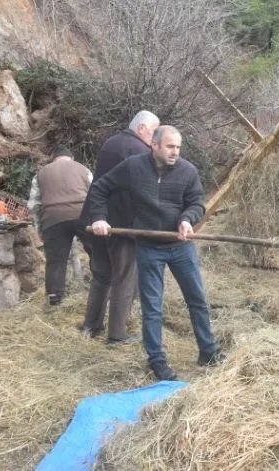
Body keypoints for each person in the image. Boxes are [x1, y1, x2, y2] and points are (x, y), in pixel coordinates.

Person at [87, 125, 224, 380]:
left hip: (180, 246)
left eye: (178, 147)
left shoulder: (187, 171)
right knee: (152, 307)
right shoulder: (133, 167)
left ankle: (208, 351)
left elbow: (197, 203)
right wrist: (99, 217)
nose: (175, 152)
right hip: (149, 246)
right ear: (154, 145)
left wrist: (187, 219)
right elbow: (100, 188)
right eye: (170, 146)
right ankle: (157, 361)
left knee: (197, 299)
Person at [80, 110, 160, 343]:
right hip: (122, 226)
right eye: (154, 131)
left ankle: (91, 325)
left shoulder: (111, 143)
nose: (155, 138)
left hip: (96, 220)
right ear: (141, 128)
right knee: (124, 279)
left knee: (101, 277)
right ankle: (116, 335)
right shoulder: (141, 151)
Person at [27, 146, 93, 306]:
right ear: (72, 158)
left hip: (53, 219)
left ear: (53, 159)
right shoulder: (83, 169)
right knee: (97, 253)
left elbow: (34, 205)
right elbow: (95, 194)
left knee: (56, 260)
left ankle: (54, 298)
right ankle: (102, 288)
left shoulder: (41, 174)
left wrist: (39, 228)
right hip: (82, 215)